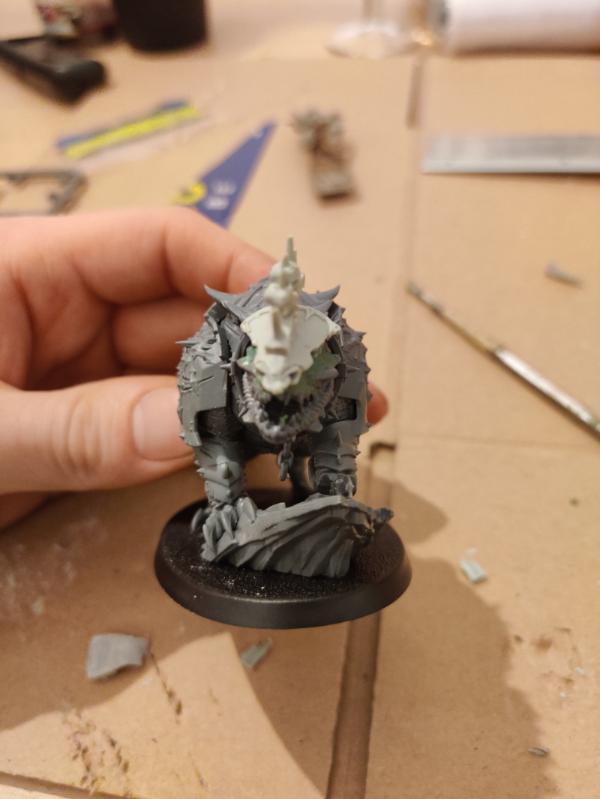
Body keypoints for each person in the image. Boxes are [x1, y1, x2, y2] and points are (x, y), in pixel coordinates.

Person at [0, 208, 388, 529]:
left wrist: (334, 474)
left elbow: (341, 433)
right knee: (226, 465)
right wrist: (226, 494)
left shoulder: (343, 360)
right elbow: (212, 439)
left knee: (326, 470)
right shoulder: (214, 360)